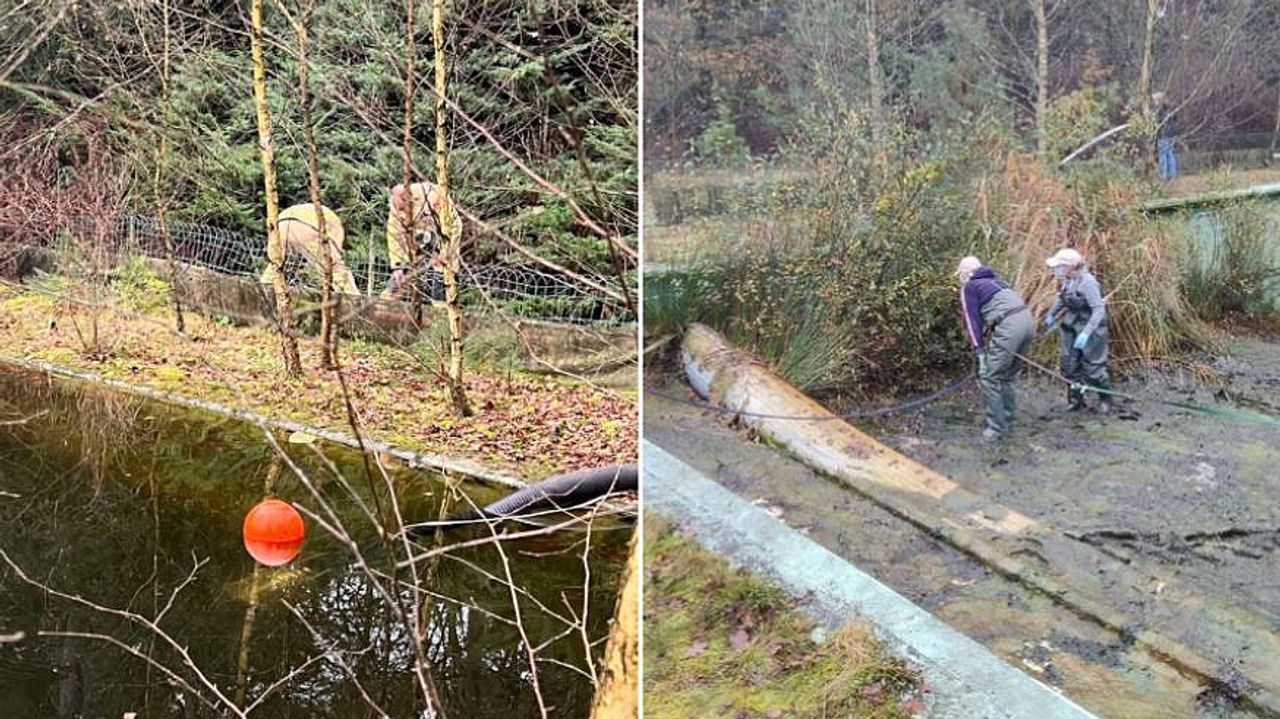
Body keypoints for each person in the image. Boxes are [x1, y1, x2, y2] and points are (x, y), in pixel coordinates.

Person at [956, 256, 1035, 441]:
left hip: (1009, 326)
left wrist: (980, 352)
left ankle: (995, 428)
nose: (959, 277)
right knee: (1008, 375)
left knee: (990, 377)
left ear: (966, 273)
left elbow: (972, 320)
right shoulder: (998, 282)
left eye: (960, 273)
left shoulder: (969, 287)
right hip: (1027, 321)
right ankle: (1008, 415)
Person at [1044, 247, 1112, 413]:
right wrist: (1051, 315)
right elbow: (1062, 299)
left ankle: (1106, 399)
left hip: (1093, 328)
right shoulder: (1068, 280)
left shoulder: (1088, 283)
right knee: (1069, 364)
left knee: (1093, 368)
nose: (1056, 270)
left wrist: (1087, 332)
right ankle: (1076, 400)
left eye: (1059, 266)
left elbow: (1098, 310)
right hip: (1071, 326)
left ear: (1070, 266)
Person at [259, 203, 361, 295]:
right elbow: (334, 264)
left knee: (275, 267)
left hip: (280, 224)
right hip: (306, 225)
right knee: (334, 269)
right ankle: (354, 303)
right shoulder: (335, 225)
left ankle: (262, 292)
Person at [382, 182, 458, 300]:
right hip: (419, 235)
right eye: (399, 210)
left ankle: (442, 310)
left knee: (442, 275)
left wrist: (442, 250)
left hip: (445, 231)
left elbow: (451, 226)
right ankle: (383, 306)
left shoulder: (431, 196)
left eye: (403, 208)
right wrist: (398, 265)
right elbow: (394, 235)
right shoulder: (395, 207)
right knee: (399, 279)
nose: (401, 212)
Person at [1154, 92, 1178, 181]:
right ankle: (1172, 174)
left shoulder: (1160, 111)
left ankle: (1163, 175)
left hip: (1163, 135)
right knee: (1170, 153)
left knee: (1163, 155)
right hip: (1171, 134)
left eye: (1156, 101)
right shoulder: (1171, 109)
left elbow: (1158, 123)